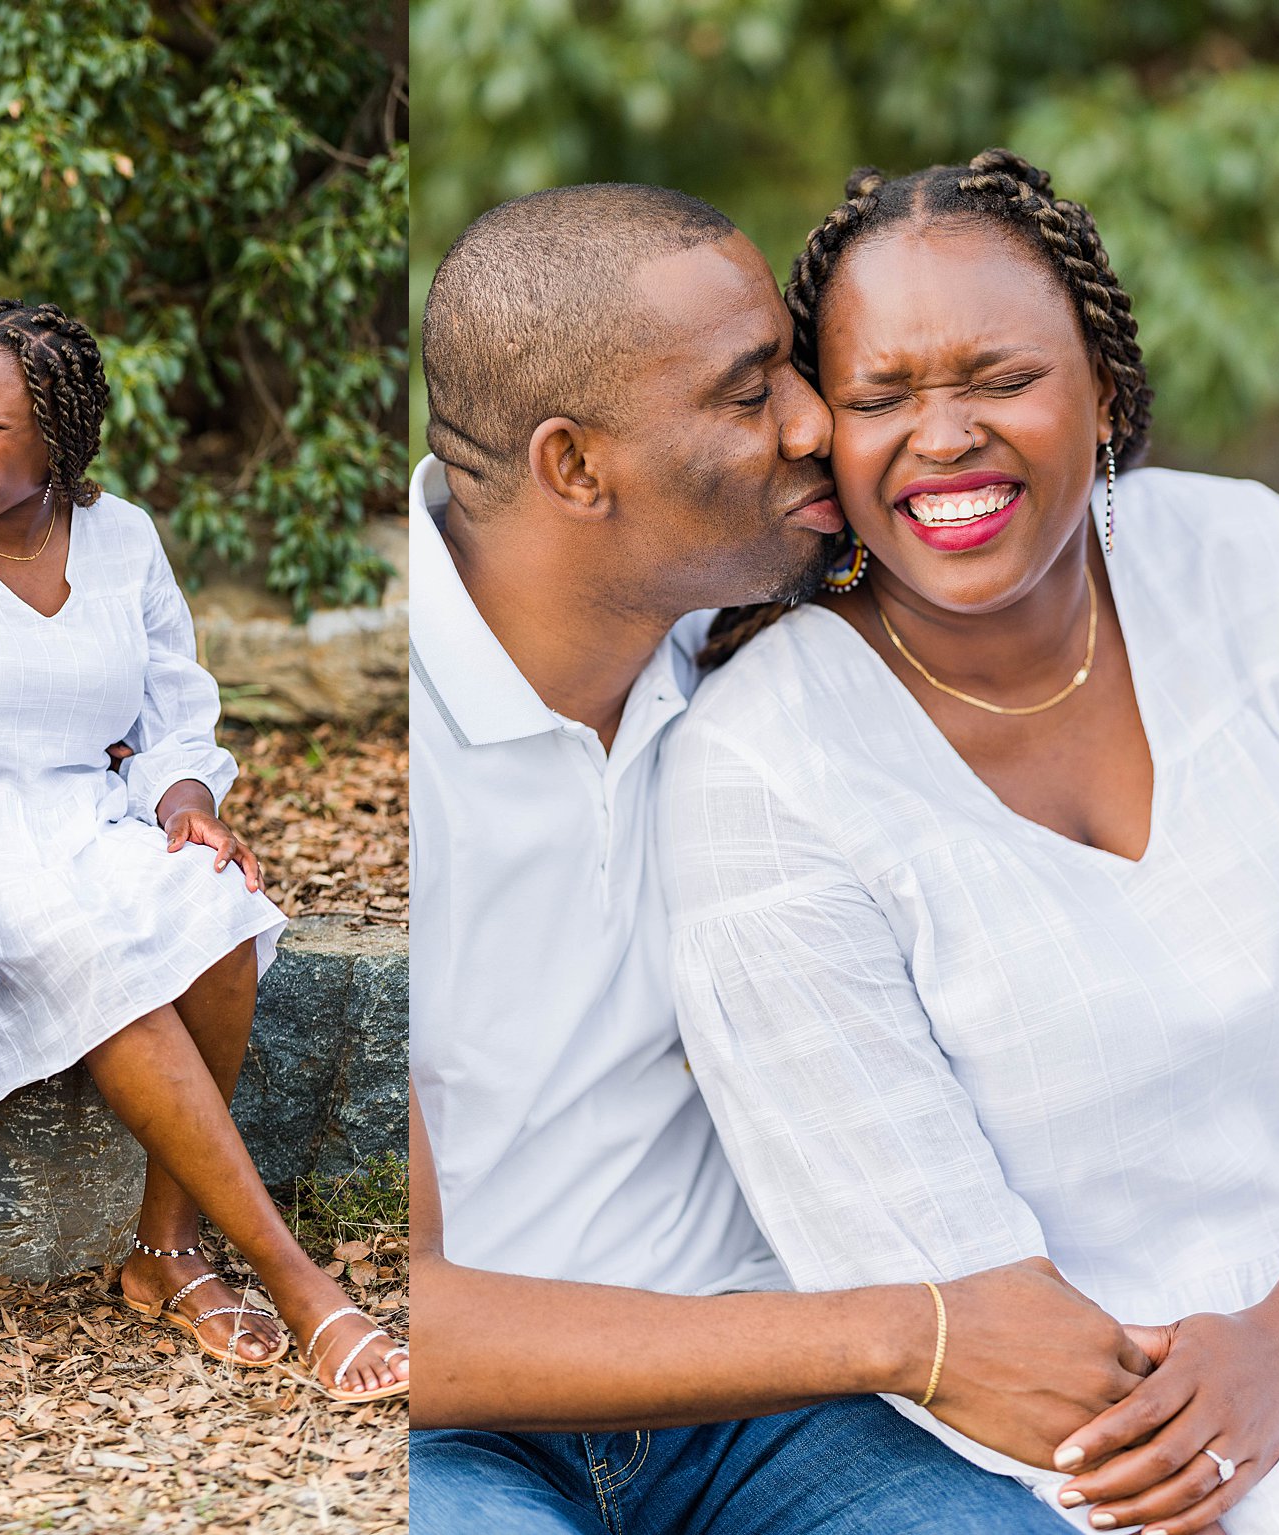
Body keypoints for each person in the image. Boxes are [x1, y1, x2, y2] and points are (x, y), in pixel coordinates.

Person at [669, 149, 1279, 1535]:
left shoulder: (1246, 560)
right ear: (820, 436)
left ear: (1105, 385)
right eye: (879, 396)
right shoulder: (764, 763)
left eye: (1000, 378)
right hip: (1106, 1436)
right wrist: (1200, 1428)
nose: (943, 433)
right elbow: (932, 1267)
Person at [408, 183, 1162, 1535]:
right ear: (575, 468)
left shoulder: (760, 640)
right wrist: (912, 1335)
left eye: (795, 367)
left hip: (775, 1416)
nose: (818, 423)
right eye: (754, 391)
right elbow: (418, 1314)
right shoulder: (396, 728)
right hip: (467, 1435)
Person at [0, 298, 408, 1403]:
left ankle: (165, 1252)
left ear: (59, 434)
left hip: (85, 817)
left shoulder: (122, 539)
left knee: (217, 906)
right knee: (104, 963)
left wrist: (186, 802)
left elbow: (173, 720)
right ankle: (300, 1285)